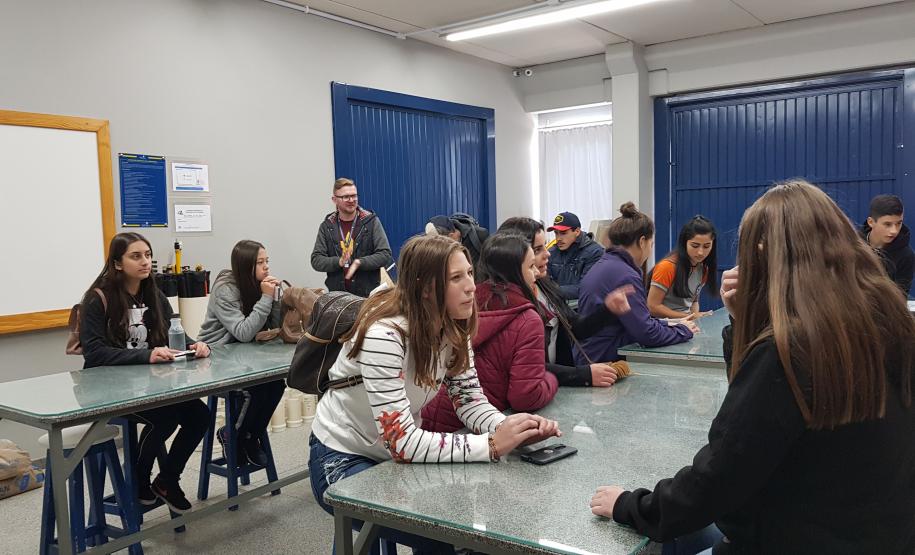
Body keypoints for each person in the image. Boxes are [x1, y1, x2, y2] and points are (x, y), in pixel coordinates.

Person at [591, 180, 915, 555]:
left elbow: (720, 472)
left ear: (763, 254)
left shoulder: (792, 348)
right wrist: (748, 323)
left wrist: (631, 505)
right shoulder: (889, 324)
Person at [308, 234, 561, 554]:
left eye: (470, 273)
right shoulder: (385, 335)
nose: (471, 285)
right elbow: (402, 442)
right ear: (425, 287)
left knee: (444, 527)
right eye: (457, 278)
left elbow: (469, 401)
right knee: (431, 532)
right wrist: (492, 444)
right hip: (341, 455)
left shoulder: (454, 326)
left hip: (394, 453)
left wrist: (510, 428)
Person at [79, 232, 210, 514]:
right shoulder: (97, 298)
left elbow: (173, 333)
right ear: (117, 263)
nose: (145, 262)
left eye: (148, 255)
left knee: (200, 415)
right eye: (136, 256)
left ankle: (166, 480)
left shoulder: (154, 293)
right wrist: (146, 354)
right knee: (164, 419)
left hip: (149, 387)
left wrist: (194, 344)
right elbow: (94, 353)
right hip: (107, 390)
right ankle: (138, 481)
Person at [421, 233, 559, 432]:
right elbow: (525, 396)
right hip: (469, 428)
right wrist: (551, 377)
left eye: (469, 273)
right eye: (530, 266)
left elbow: (467, 395)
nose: (536, 273)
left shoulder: (463, 304)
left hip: (438, 421)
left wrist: (505, 431)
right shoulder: (526, 319)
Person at [498, 217, 619, 387]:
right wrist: (582, 375)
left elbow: (575, 328)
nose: (547, 254)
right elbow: (526, 366)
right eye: (538, 250)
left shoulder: (544, 286)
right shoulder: (504, 301)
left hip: (554, 386)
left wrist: (607, 309)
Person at [197, 239, 287, 467]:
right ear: (245, 266)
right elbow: (244, 332)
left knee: (276, 384)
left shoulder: (258, 285)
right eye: (260, 262)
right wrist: (266, 297)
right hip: (217, 356)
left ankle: (249, 436)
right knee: (255, 388)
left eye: (267, 261)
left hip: (244, 355)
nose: (266, 267)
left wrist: (275, 298)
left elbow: (273, 327)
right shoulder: (225, 289)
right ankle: (232, 434)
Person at [575, 203, 696, 364]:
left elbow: (636, 320)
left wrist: (670, 323)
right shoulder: (625, 275)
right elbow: (647, 334)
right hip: (605, 359)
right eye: (651, 245)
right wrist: (683, 331)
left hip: (589, 354)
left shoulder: (605, 265)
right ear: (642, 242)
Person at [311, 177, 393, 297]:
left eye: (354, 196)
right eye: (346, 197)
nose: (351, 200)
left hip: (367, 296)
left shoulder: (371, 222)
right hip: (337, 297)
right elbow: (316, 260)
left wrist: (360, 262)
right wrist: (338, 262)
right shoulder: (327, 226)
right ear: (334, 200)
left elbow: (385, 254)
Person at [648, 216, 718, 319]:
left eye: (707, 246)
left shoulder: (703, 269)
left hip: (685, 323)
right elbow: (652, 307)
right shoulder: (666, 267)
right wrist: (690, 317)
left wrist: (695, 319)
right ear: (684, 243)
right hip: (662, 326)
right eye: (695, 246)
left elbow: (694, 302)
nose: (700, 252)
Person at [860, 194, 914, 296]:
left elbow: (899, 298)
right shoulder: (853, 245)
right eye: (887, 224)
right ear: (871, 222)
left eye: (899, 223)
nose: (894, 231)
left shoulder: (906, 256)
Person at [546, 211, 604, 301]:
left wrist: (553, 291)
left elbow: (586, 288)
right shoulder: (551, 253)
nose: (558, 238)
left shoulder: (595, 252)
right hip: (557, 307)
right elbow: (545, 284)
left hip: (582, 309)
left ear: (577, 231)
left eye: (563, 233)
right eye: (556, 233)